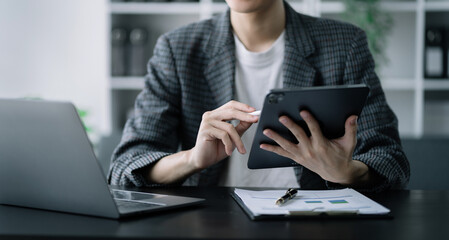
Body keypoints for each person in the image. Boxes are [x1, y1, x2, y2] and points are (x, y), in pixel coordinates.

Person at [108, 0, 410, 191]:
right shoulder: (177, 48)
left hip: (314, 222)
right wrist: (193, 159)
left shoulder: (344, 44)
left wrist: (346, 172)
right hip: (210, 224)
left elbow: (391, 161)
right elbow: (125, 168)